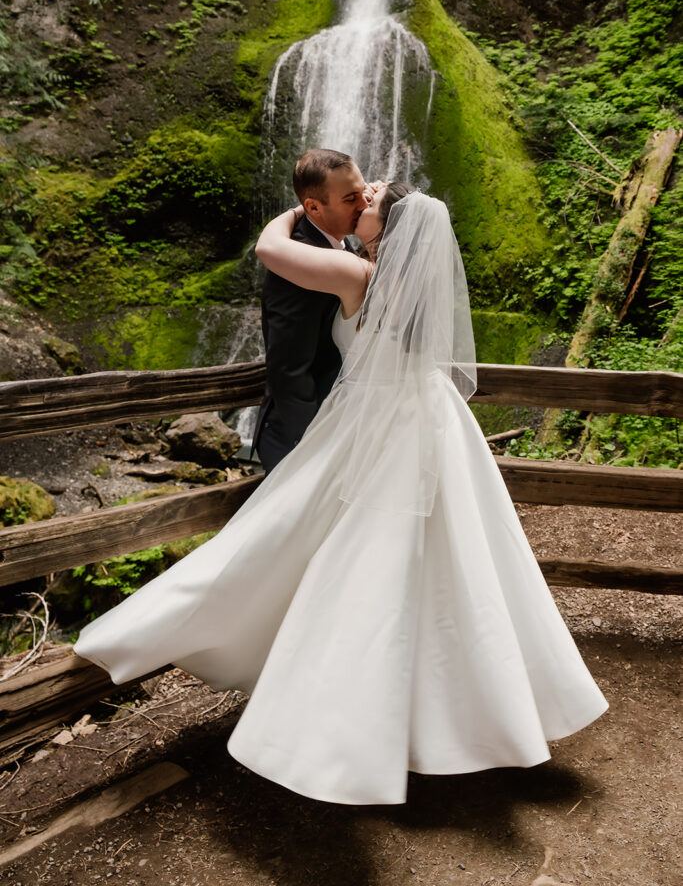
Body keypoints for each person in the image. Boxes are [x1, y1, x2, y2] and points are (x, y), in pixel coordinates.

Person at [73, 184, 608, 806]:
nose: (361, 202)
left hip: (373, 426)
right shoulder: (419, 288)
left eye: (371, 200)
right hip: (433, 424)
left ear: (390, 226)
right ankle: (462, 717)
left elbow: (271, 250)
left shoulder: (357, 274)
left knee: (329, 549)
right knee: (456, 566)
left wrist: (298, 209)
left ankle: (334, 729)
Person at [252, 147, 379, 473]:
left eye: (363, 193)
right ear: (313, 207)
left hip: (342, 424)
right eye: (351, 199)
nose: (364, 205)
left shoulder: (345, 247)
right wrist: (314, 442)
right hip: (301, 437)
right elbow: (289, 369)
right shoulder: (297, 258)